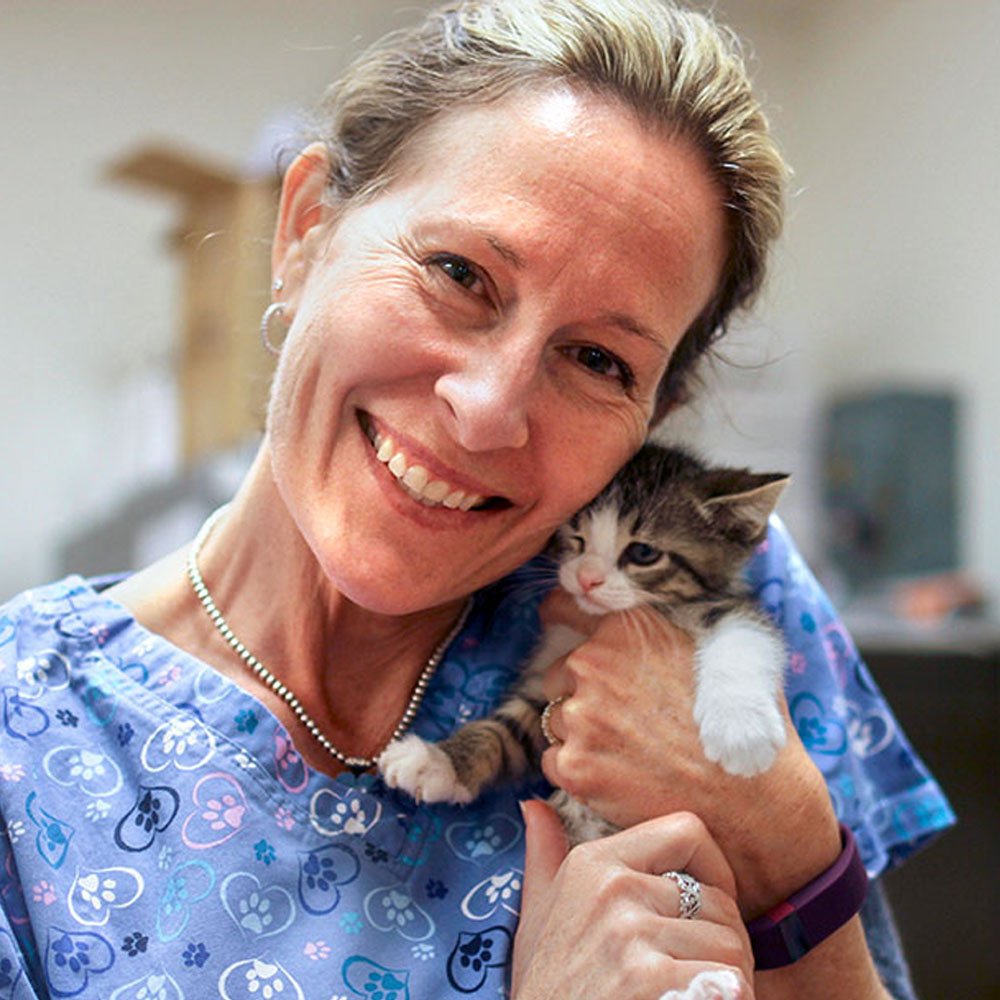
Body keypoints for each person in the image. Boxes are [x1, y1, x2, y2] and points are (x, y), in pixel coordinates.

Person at [0, 1, 952, 997]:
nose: (486, 408)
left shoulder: (700, 612)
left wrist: (785, 839)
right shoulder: (26, 736)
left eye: (595, 359)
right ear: (305, 233)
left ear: (652, 416)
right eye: (458, 272)